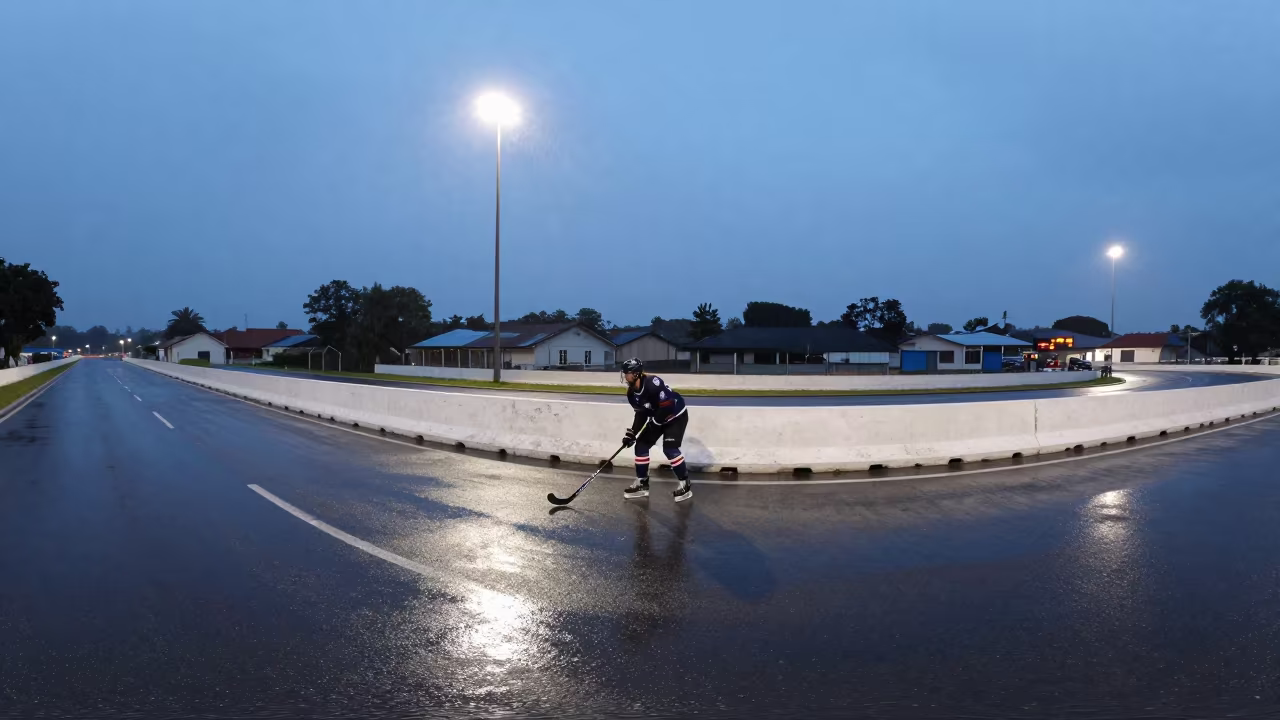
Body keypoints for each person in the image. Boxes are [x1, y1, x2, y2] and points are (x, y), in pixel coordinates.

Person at [619, 357, 692, 502]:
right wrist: (632, 433)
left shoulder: (653, 383)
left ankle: (685, 484)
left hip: (675, 416)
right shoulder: (631, 393)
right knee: (640, 445)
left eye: (627, 373)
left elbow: (668, 405)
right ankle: (642, 484)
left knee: (670, 449)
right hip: (658, 418)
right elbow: (641, 414)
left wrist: (656, 422)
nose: (624, 376)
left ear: (636, 374)